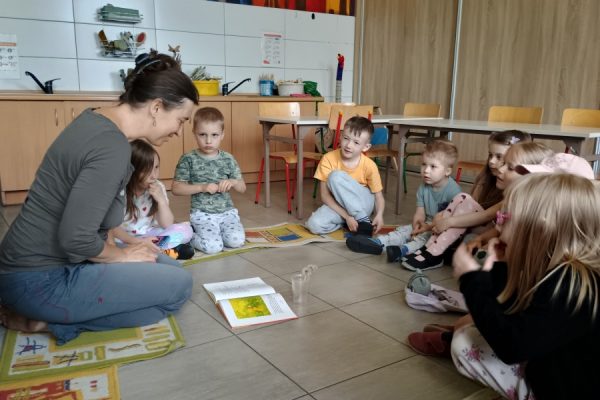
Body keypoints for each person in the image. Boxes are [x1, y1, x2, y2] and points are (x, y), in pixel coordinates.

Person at [0, 50, 198, 344]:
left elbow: (91, 214)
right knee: (178, 287)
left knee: (166, 266)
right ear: (157, 107)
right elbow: (76, 239)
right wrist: (121, 256)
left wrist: (125, 250)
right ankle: (41, 321)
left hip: (32, 267)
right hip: (39, 279)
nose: (179, 131)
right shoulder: (111, 147)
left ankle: (55, 310)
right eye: (181, 120)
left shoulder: (95, 119)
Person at [450, 173, 600, 399]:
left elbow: (511, 346)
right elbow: (511, 311)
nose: (497, 223)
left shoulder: (571, 284)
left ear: (540, 229)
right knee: (471, 328)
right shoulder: (560, 268)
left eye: (505, 216)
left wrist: (472, 281)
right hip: (550, 360)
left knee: (464, 342)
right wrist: (501, 267)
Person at [401, 130, 532, 270]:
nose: (492, 161)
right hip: (476, 228)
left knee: (461, 216)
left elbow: (485, 216)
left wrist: (449, 221)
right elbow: (470, 206)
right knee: (460, 202)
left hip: (491, 233)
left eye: (500, 157)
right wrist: (441, 218)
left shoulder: (516, 195)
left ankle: (435, 253)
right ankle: (432, 248)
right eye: (490, 155)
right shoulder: (486, 179)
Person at [346, 140, 461, 261]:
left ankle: (404, 250)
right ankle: (379, 243)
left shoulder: (454, 192)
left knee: (425, 238)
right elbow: (420, 212)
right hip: (425, 224)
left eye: (433, 166)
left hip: (441, 229)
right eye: (424, 164)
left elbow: (450, 221)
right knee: (405, 230)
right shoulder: (423, 187)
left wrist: (427, 228)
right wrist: (417, 225)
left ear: (447, 171)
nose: (426, 170)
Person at [171, 107, 246, 254]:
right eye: (202, 135)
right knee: (213, 247)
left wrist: (233, 182)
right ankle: (190, 233)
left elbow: (242, 188)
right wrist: (202, 187)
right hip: (202, 214)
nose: (208, 141)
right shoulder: (188, 159)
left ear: (222, 135)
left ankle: (216, 232)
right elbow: (176, 188)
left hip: (227, 213)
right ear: (194, 133)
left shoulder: (228, 159)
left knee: (236, 241)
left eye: (214, 135)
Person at [111, 139, 195, 261]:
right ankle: (165, 251)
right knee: (110, 242)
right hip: (125, 239)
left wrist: (161, 200)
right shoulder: (119, 191)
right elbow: (112, 228)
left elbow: (167, 224)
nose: (154, 175)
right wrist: (137, 241)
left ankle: (151, 250)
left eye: (156, 167)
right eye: (147, 170)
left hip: (150, 235)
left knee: (186, 230)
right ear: (132, 170)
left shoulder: (158, 187)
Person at [306, 116, 385, 235]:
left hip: (363, 204)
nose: (349, 145)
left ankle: (361, 218)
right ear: (340, 136)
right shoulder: (328, 159)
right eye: (346, 138)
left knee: (335, 176)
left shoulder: (370, 165)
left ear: (365, 147)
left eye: (356, 142)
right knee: (313, 225)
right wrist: (347, 217)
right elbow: (325, 196)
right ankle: (352, 222)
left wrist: (379, 214)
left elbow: (378, 196)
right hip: (340, 204)